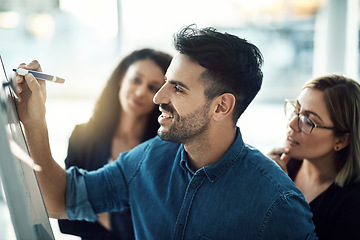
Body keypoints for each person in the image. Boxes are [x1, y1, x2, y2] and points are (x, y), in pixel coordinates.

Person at [14, 24, 317, 239]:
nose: (158, 98)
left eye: (178, 89)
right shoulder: (147, 159)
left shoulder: (277, 204)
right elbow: (59, 199)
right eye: (166, 82)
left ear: (222, 107)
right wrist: (35, 119)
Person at [58, 49, 172, 240]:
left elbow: (162, 221)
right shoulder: (83, 136)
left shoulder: (163, 149)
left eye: (153, 87)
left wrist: (93, 208)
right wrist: (125, 222)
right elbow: (65, 214)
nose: (140, 92)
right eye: (136, 80)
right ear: (121, 78)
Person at [268, 74, 360, 240]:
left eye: (308, 121)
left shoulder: (353, 203)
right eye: (295, 110)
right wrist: (259, 181)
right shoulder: (280, 166)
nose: (292, 124)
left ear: (342, 140)